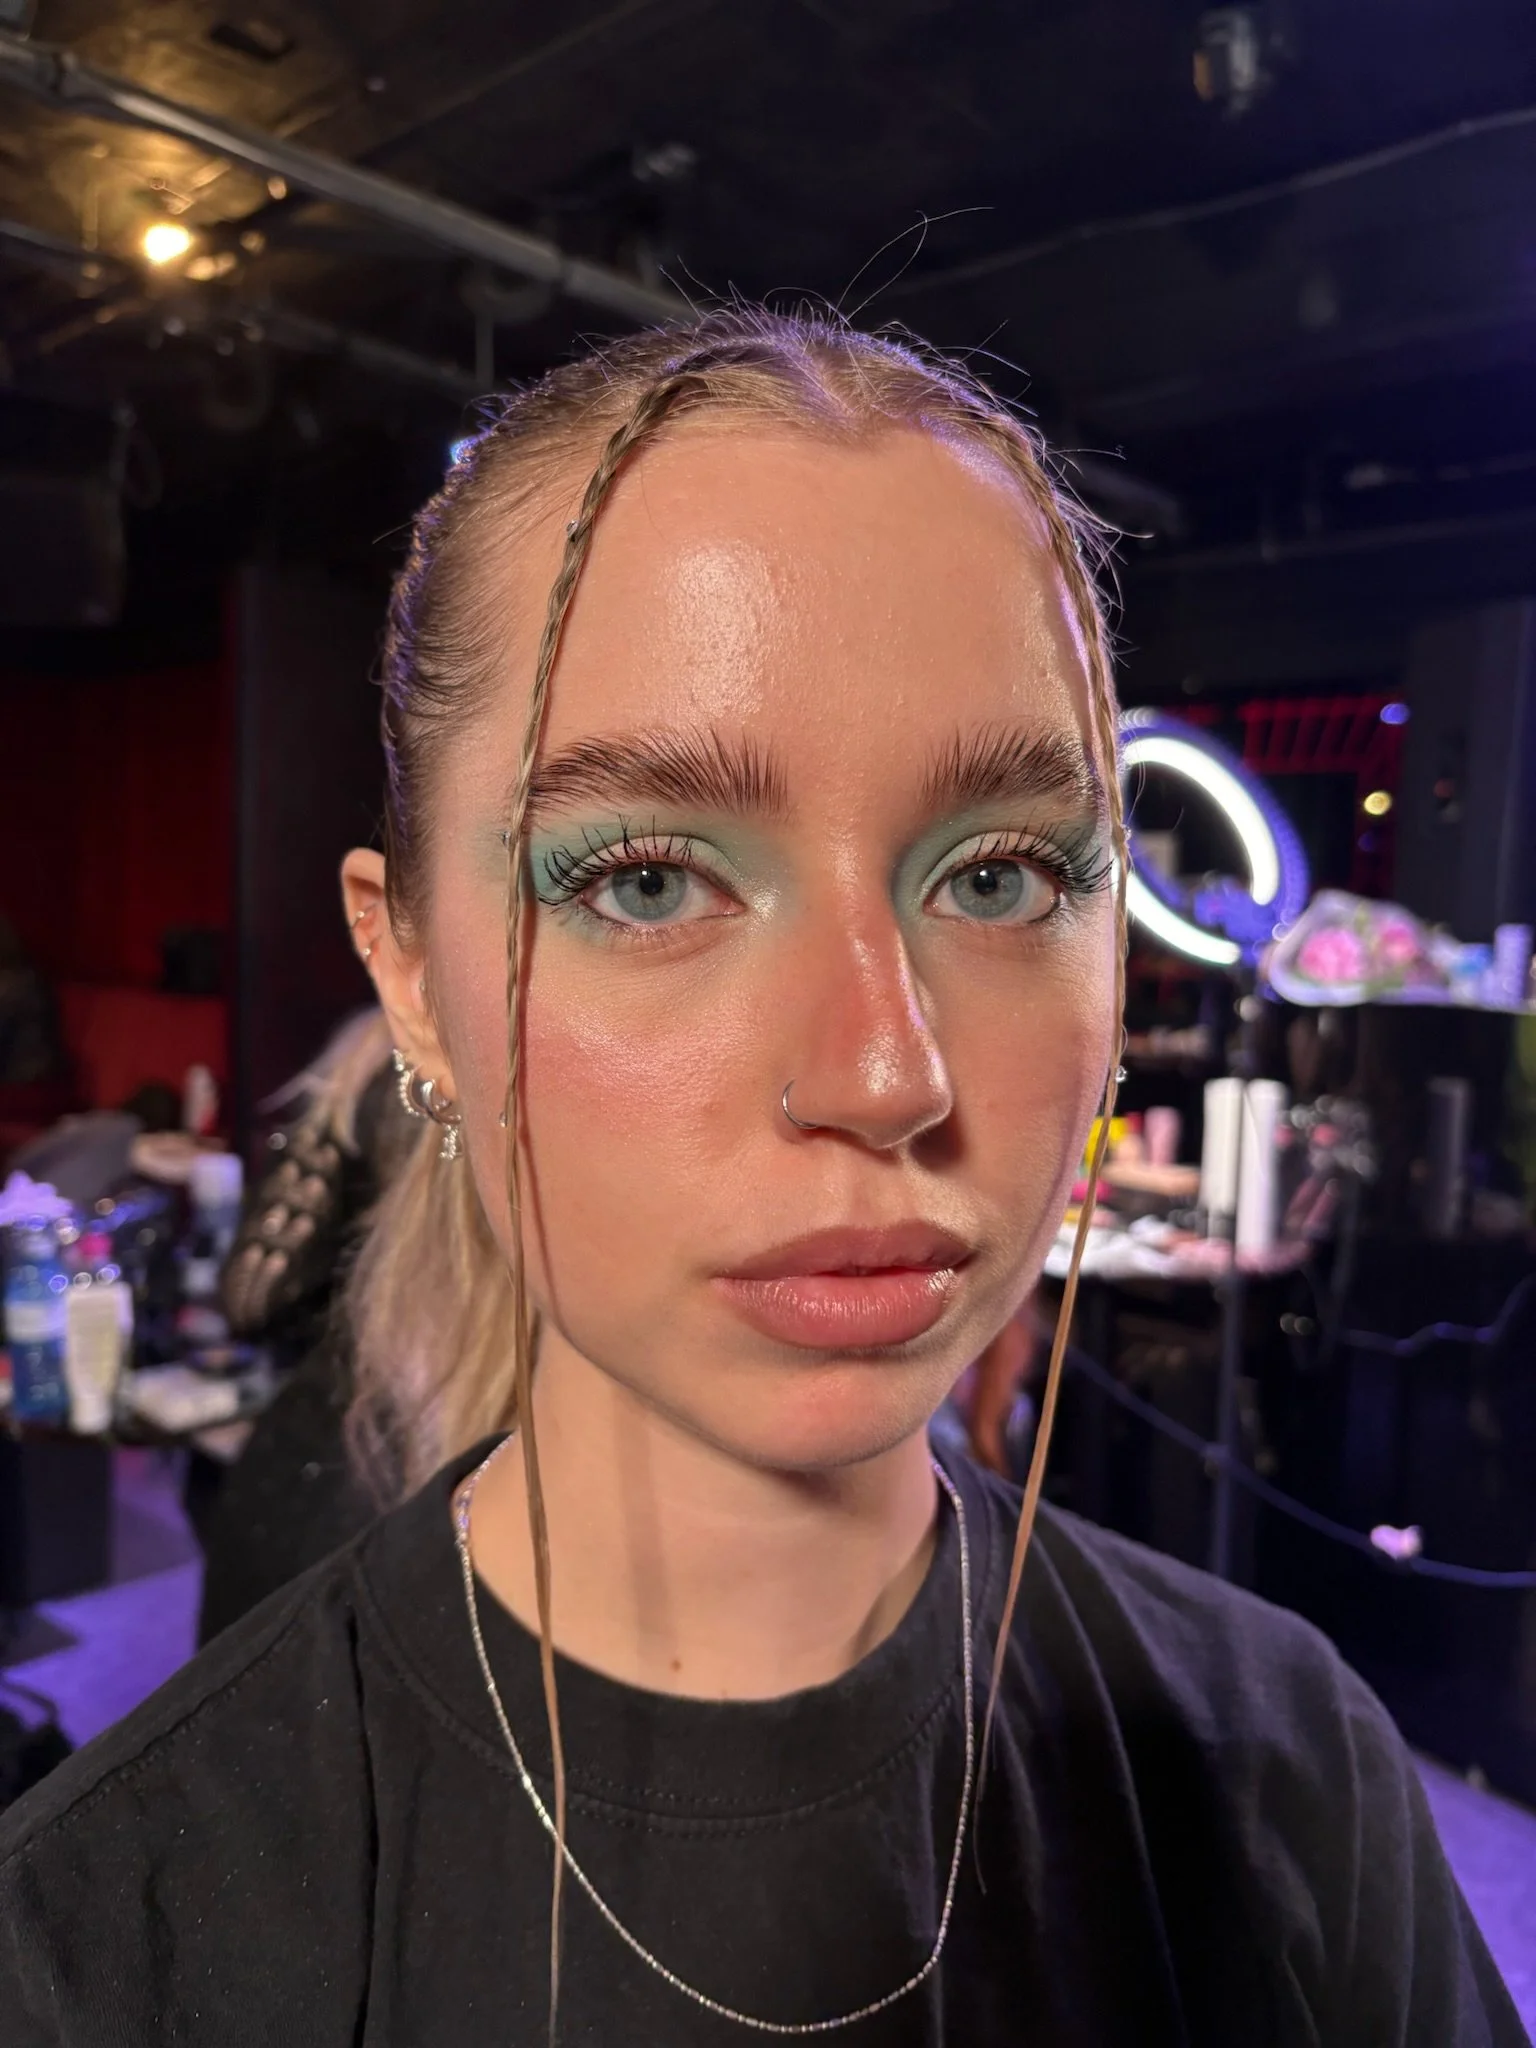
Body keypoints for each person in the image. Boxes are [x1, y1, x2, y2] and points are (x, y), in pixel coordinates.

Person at [0, 308, 1525, 2047]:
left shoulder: (1287, 1779)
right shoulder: (108, 1944)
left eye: (1008, 874)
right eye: (649, 881)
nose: (887, 1076)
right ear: (412, 970)